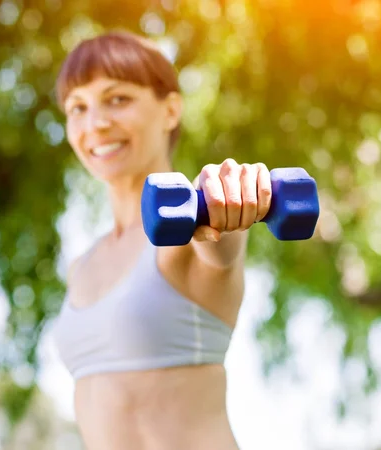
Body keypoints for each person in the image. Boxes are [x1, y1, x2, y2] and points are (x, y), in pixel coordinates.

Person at [52, 30, 272, 450]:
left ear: (170, 110)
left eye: (118, 99)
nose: (95, 123)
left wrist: (228, 202)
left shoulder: (191, 224)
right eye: (77, 107)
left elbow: (219, 245)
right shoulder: (82, 264)